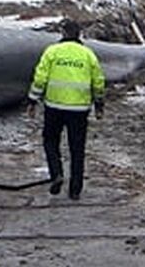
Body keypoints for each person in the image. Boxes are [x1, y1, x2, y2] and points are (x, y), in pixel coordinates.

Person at [27, 21, 105, 200]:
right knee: (77, 149)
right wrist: (99, 104)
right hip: (79, 109)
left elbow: (40, 78)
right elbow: (98, 81)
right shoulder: (88, 55)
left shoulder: (52, 51)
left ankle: (56, 174)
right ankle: (75, 190)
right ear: (79, 34)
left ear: (62, 33)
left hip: (54, 106)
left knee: (50, 141)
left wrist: (32, 100)